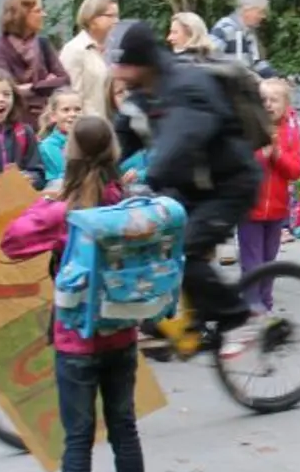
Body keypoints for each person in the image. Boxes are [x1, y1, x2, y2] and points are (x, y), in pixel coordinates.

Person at [1, 116, 146, 472]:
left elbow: (12, 242)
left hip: (75, 339)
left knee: (78, 436)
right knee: (124, 426)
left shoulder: (63, 212)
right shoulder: (123, 202)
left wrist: (44, 201)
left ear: (72, 157)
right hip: (120, 332)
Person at [109, 20, 258, 337]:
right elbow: (114, 145)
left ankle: (233, 311)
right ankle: (185, 320)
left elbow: (181, 141)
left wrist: (151, 177)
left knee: (184, 250)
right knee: (150, 243)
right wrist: (80, 174)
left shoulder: (187, 84)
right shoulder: (141, 96)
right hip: (189, 188)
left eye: (123, 65)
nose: (117, 73)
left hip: (229, 186)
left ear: (142, 62)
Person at [240, 78, 300, 313]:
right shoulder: (249, 128)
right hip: (250, 209)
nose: (267, 105)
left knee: (269, 262)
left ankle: (265, 306)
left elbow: (296, 171)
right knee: (252, 263)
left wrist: (276, 153)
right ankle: (251, 308)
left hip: (277, 210)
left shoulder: (290, 132)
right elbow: (240, 164)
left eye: (274, 100)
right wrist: (260, 153)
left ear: (286, 104)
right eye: (263, 100)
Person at [0, 0, 71, 123]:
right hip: (14, 122)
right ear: (22, 15)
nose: (44, 15)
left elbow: (64, 80)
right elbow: (2, 87)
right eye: (38, 11)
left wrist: (32, 87)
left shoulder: (43, 44)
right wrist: (47, 84)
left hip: (45, 121)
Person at [58, 0, 120, 119]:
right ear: (92, 19)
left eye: (117, 16)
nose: (117, 21)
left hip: (114, 127)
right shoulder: (74, 50)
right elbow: (70, 96)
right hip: (88, 128)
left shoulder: (116, 48)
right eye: (110, 16)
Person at [210, 0, 279, 77]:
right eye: (260, 12)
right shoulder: (225, 27)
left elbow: (256, 62)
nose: (263, 17)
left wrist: (277, 77)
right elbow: (211, 58)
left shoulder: (249, 32)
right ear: (247, 10)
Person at [38, 88, 86, 185]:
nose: (73, 114)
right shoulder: (48, 146)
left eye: (77, 109)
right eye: (66, 110)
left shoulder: (89, 140)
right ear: (53, 116)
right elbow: (67, 175)